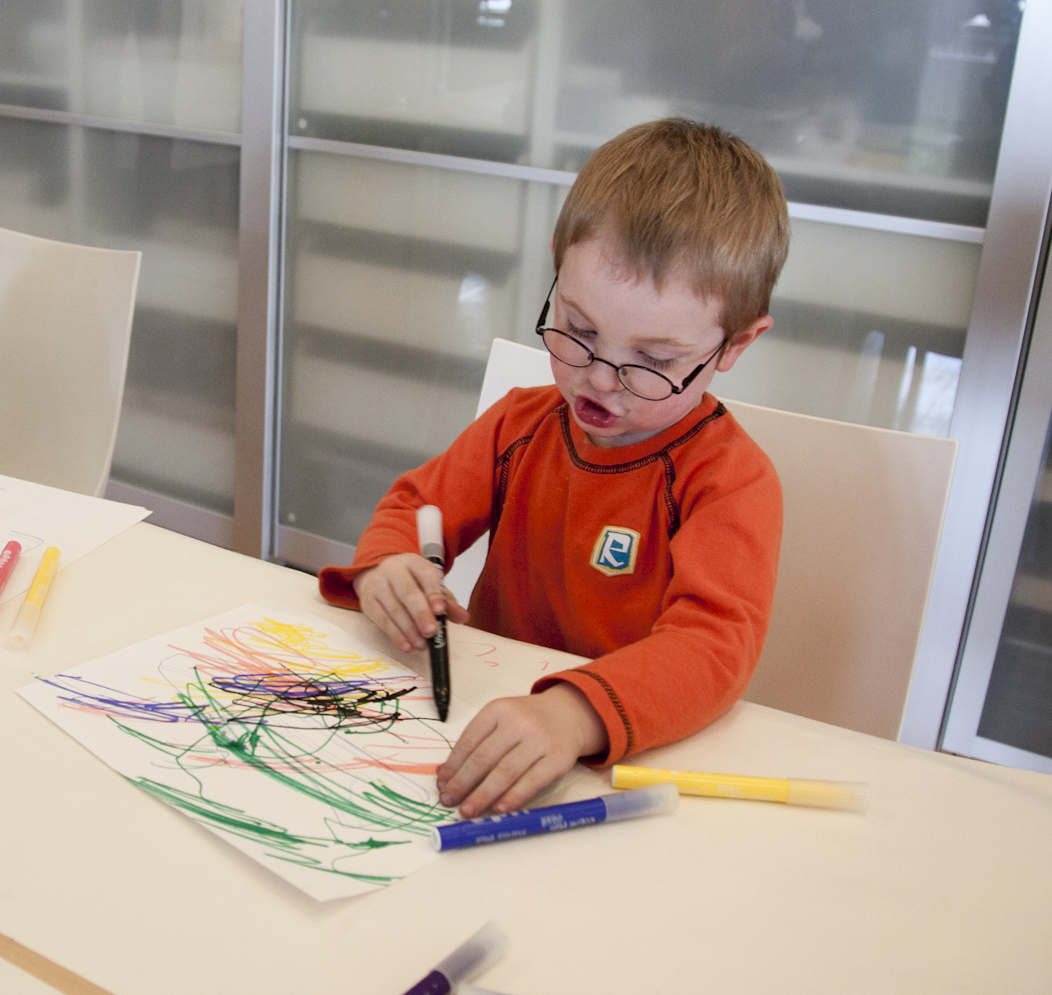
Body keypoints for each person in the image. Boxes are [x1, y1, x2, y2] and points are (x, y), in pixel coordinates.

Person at [318, 118, 789, 819]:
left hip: (627, 766)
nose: (601, 378)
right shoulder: (519, 422)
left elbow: (714, 649)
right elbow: (415, 508)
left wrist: (574, 716)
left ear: (736, 344)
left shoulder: (728, 481)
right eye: (578, 329)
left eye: (654, 361)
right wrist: (390, 568)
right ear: (555, 272)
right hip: (484, 724)